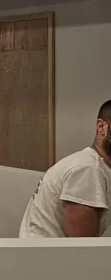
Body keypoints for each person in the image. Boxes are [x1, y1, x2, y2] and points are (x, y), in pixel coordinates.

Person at [20, 101, 111, 238]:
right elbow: (83, 249)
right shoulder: (88, 170)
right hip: (47, 258)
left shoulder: (92, 165)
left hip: (44, 256)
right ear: (101, 127)